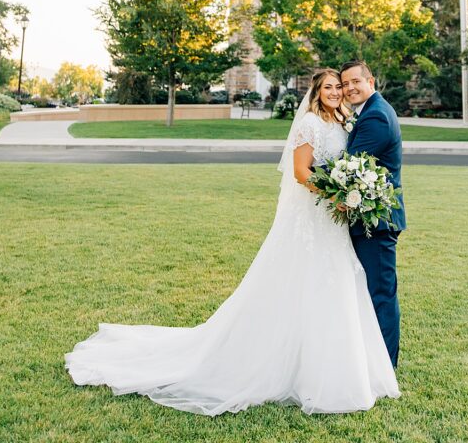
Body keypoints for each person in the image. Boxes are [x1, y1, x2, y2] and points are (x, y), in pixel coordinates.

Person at [65, 69, 399, 416]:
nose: (336, 91)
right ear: (316, 92)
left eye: (339, 86)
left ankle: (336, 363)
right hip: (315, 217)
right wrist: (335, 194)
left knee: (336, 286)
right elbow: (302, 173)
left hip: (332, 225)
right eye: (329, 87)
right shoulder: (311, 124)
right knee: (306, 282)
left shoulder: (342, 122)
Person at [340, 59, 406, 368]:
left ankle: (384, 367)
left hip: (377, 222)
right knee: (372, 293)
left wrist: (306, 171)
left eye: (355, 81)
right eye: (345, 84)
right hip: (368, 217)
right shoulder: (366, 112)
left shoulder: (376, 116)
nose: (350, 88)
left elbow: (348, 166)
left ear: (371, 81)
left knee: (380, 294)